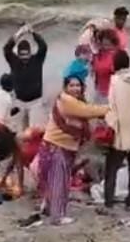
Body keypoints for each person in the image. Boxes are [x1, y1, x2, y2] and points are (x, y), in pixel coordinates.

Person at [38, 77, 109, 225]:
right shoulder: (66, 101)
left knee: (56, 181)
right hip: (56, 147)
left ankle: (48, 207)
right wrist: (110, 108)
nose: (75, 88)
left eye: (78, 85)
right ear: (65, 87)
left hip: (61, 147)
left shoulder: (76, 102)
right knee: (59, 182)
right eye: (72, 85)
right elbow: (88, 111)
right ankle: (57, 217)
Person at [103, 50, 130, 210]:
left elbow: (112, 106)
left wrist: (110, 124)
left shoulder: (115, 81)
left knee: (111, 168)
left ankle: (108, 201)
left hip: (120, 131)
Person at [4, 25, 48, 129]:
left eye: (26, 54)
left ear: (30, 52)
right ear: (18, 53)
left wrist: (33, 33)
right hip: (19, 102)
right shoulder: (14, 61)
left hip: (36, 101)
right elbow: (7, 48)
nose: (24, 57)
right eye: (22, 54)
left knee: (36, 129)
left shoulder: (37, 60)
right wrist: (19, 34)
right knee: (20, 131)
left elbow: (43, 46)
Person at [91, 29, 119, 104]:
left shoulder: (117, 56)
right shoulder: (96, 55)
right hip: (99, 91)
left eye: (108, 44)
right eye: (104, 44)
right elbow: (94, 74)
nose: (106, 47)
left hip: (112, 92)